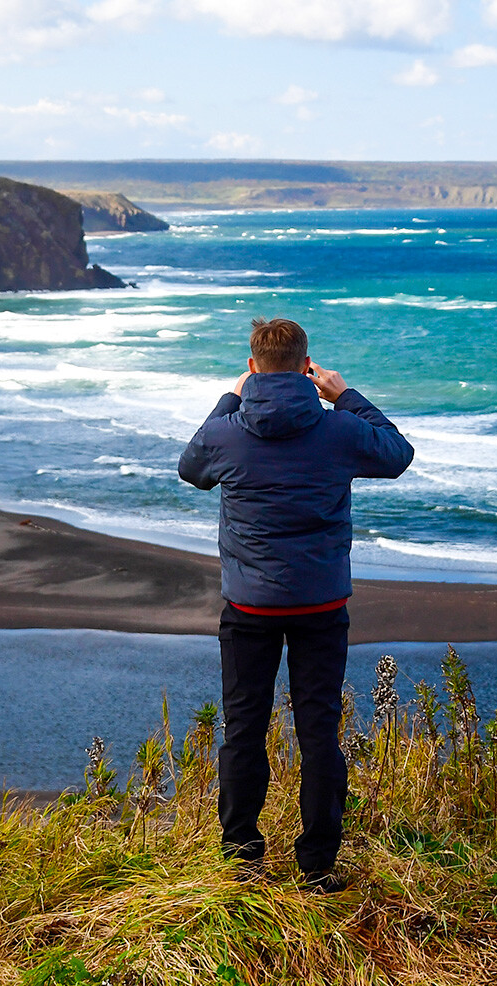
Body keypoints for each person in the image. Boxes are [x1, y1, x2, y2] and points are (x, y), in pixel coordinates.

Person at [177, 317, 414, 892]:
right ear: (308, 367)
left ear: (253, 364)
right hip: (320, 605)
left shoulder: (227, 430)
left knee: (244, 728)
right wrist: (345, 395)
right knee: (318, 731)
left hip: (250, 607)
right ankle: (316, 866)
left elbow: (191, 468)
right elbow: (398, 452)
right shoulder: (339, 430)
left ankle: (242, 856)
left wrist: (229, 396)